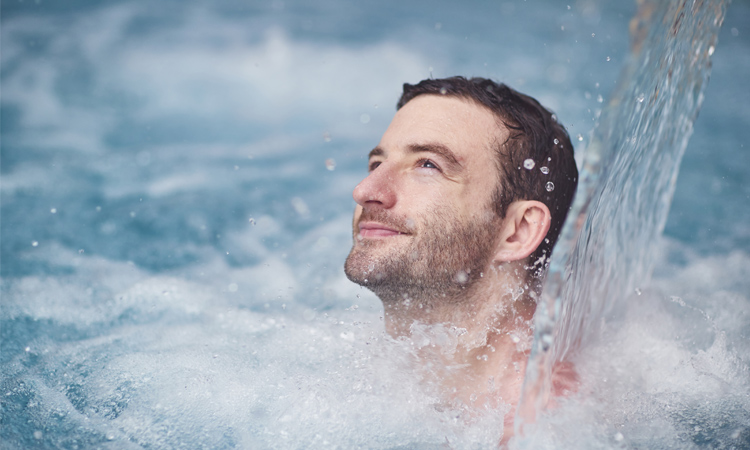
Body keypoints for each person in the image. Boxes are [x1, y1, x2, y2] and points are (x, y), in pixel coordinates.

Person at [344, 76, 579, 435]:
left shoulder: (536, 419)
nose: (365, 191)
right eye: (377, 164)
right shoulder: (355, 363)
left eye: (427, 165)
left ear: (517, 232)